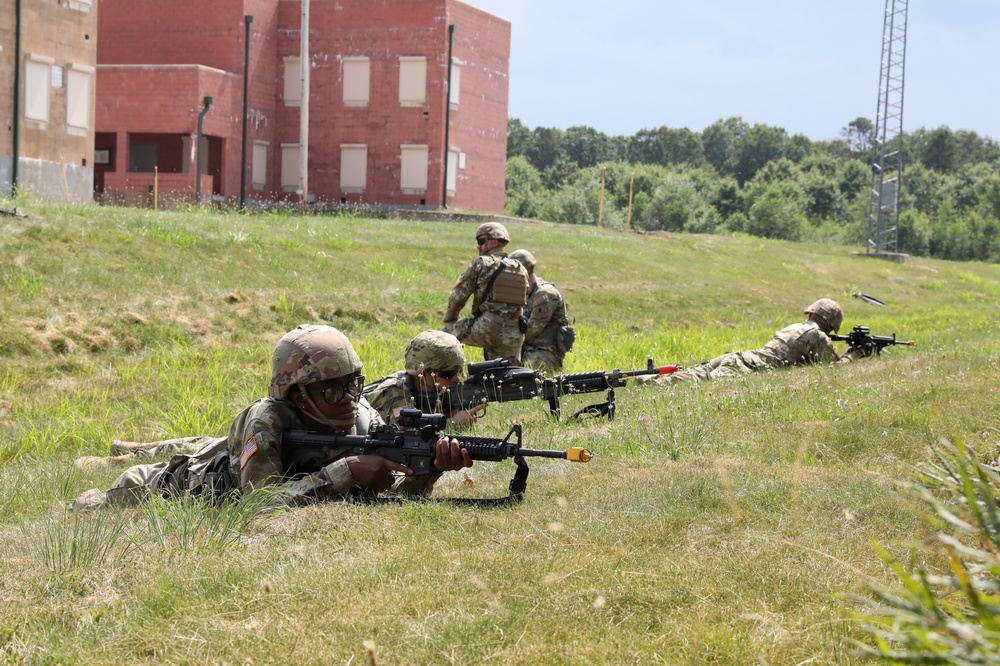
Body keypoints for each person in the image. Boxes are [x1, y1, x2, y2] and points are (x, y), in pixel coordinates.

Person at [73, 325, 472, 510]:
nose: (351, 398)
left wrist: (429, 470)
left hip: (239, 453)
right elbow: (259, 504)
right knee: (104, 501)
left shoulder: (365, 417)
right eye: (334, 389)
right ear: (298, 395)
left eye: (355, 383)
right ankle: (114, 462)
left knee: (202, 441)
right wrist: (345, 471)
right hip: (176, 485)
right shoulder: (267, 421)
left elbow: (392, 500)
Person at [638, 299, 870, 386]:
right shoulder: (818, 338)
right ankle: (650, 383)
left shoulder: (795, 327)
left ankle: (646, 377)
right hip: (747, 367)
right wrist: (855, 353)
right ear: (831, 325)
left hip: (740, 356)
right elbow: (833, 369)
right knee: (697, 382)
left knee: (694, 372)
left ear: (811, 314)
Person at [442, 222, 528, 365]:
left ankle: (453, 380)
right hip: (514, 333)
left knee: (442, 339)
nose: (478, 246)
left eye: (481, 241)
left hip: (487, 328)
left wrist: (450, 321)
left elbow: (458, 297)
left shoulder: (481, 263)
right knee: (507, 374)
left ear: (494, 241)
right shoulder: (520, 269)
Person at [363, 330, 483, 430]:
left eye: (458, 371)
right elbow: (408, 441)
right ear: (424, 373)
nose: (456, 379)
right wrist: (453, 424)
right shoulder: (397, 393)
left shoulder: (434, 391)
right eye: (448, 374)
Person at [507, 249, 572, 373]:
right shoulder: (522, 291)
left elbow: (532, 331)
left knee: (528, 374)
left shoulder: (545, 294)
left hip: (545, 351)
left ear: (527, 270)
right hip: (525, 347)